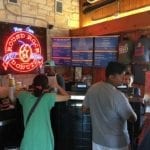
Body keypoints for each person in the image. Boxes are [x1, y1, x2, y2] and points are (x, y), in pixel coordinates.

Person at [83, 61, 137, 150]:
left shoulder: (92, 88)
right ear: (111, 77)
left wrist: (98, 111)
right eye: (121, 76)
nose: (124, 79)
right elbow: (133, 118)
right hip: (117, 143)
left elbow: (84, 109)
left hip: (97, 141)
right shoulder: (118, 95)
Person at [17, 74, 69, 150]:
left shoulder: (24, 96)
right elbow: (67, 96)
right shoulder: (48, 97)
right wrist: (57, 86)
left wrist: (28, 89)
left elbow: (16, 93)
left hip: (28, 139)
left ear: (33, 84)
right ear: (46, 87)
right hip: (44, 138)